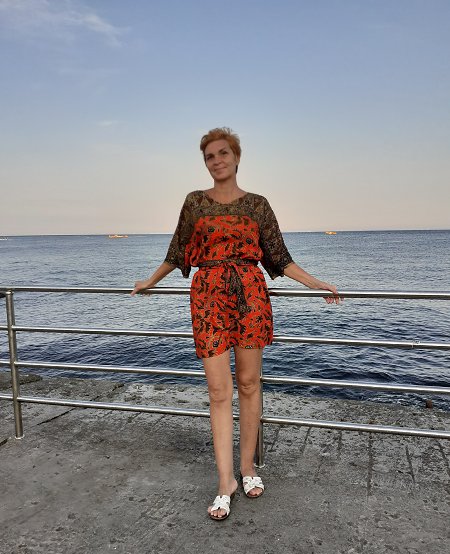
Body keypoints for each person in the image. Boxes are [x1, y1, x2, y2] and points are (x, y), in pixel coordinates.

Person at [132, 127, 340, 521]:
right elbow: (177, 252)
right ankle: (224, 481)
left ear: (237, 157)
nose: (217, 161)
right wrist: (150, 281)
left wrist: (316, 283)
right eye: (209, 156)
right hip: (208, 295)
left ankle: (247, 468)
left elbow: (279, 257)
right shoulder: (195, 202)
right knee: (218, 390)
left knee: (248, 383)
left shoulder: (258, 205)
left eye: (223, 153)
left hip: (249, 295)